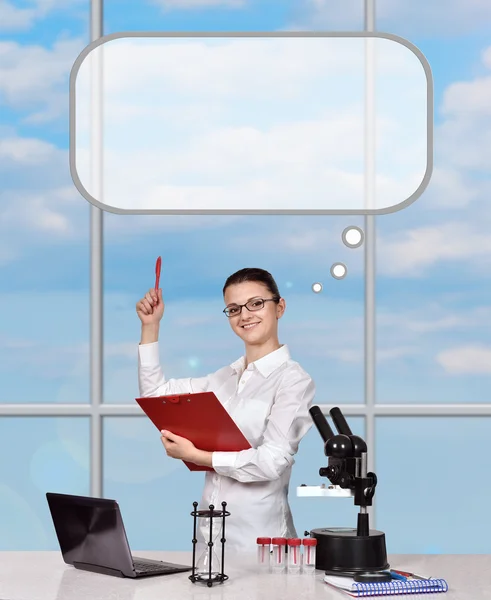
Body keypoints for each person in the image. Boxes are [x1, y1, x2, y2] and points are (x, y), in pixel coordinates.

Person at [136, 266, 315, 553]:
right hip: (211, 539)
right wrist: (150, 326)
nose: (245, 315)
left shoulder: (293, 380)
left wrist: (200, 457)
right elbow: (155, 395)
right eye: (233, 309)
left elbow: (272, 462)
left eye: (256, 303)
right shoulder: (222, 379)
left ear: (279, 307)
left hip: (260, 546)